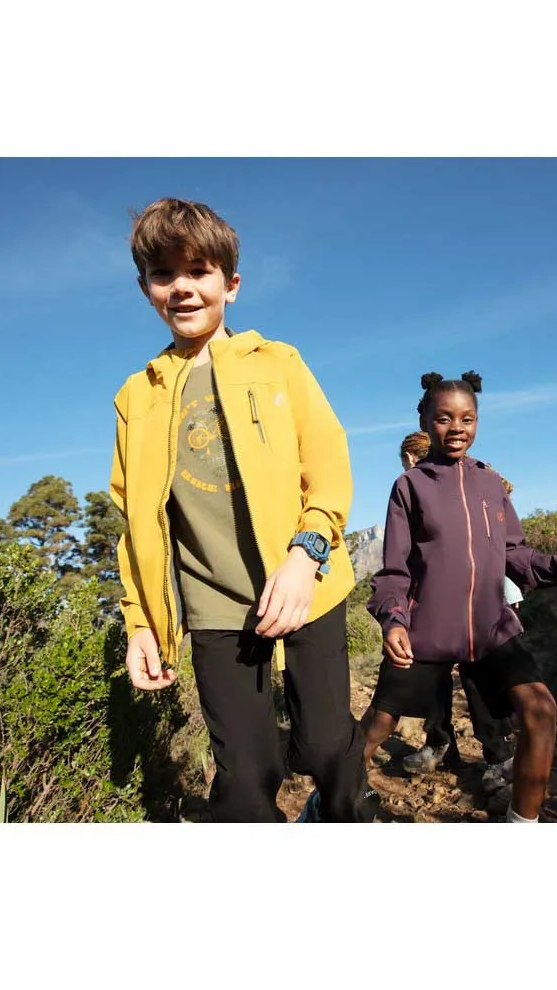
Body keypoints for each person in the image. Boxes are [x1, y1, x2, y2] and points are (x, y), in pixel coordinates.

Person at [108, 197, 376, 823]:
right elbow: (133, 519)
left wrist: (306, 556)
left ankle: (343, 814)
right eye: (163, 274)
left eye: (198, 271)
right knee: (245, 779)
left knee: (325, 746)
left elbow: (328, 466)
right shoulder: (136, 395)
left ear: (230, 284)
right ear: (146, 289)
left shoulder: (278, 363)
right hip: (215, 607)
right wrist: (141, 622)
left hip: (305, 586)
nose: (182, 287)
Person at [362, 371, 557, 822]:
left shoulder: (490, 484)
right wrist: (394, 620)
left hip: (490, 629)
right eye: (444, 418)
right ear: (425, 419)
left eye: (467, 419)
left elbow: (515, 554)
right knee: (378, 724)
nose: (457, 428)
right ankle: (332, 804)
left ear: (477, 421)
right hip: (427, 632)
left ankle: (521, 824)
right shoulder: (410, 487)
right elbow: (395, 569)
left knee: (540, 710)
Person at [396, 430, 516, 793]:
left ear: (411, 458)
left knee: (474, 675)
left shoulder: (449, 484)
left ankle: (493, 754)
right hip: (443, 601)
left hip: (476, 600)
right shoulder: (434, 487)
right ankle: (448, 745)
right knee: (442, 675)